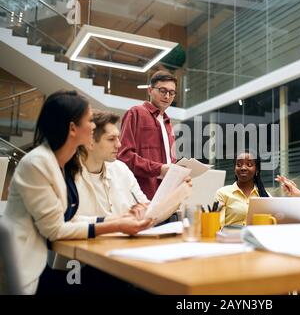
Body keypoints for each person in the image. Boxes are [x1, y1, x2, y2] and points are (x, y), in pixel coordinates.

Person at [3, 90, 154, 294]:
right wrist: (116, 224)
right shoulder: (38, 164)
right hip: (32, 273)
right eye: (90, 120)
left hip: (44, 266)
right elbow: (56, 229)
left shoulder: (62, 163)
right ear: (73, 128)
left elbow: (69, 220)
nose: (93, 126)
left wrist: (113, 221)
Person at [76, 110, 149, 219]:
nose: (119, 144)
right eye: (111, 139)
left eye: (118, 138)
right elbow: (66, 224)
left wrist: (143, 208)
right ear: (90, 142)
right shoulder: (68, 176)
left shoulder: (121, 169)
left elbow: (145, 204)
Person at [118, 70, 177, 200]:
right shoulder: (136, 113)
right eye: (163, 91)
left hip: (167, 196)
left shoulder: (168, 124)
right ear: (150, 90)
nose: (167, 96)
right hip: (142, 196)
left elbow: (169, 162)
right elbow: (124, 155)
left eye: (171, 93)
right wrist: (159, 169)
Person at [215, 150, 269, 226]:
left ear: (257, 170)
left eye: (249, 164)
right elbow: (217, 226)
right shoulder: (222, 193)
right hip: (230, 237)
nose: (243, 168)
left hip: (255, 237)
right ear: (234, 169)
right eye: (239, 164)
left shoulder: (266, 196)